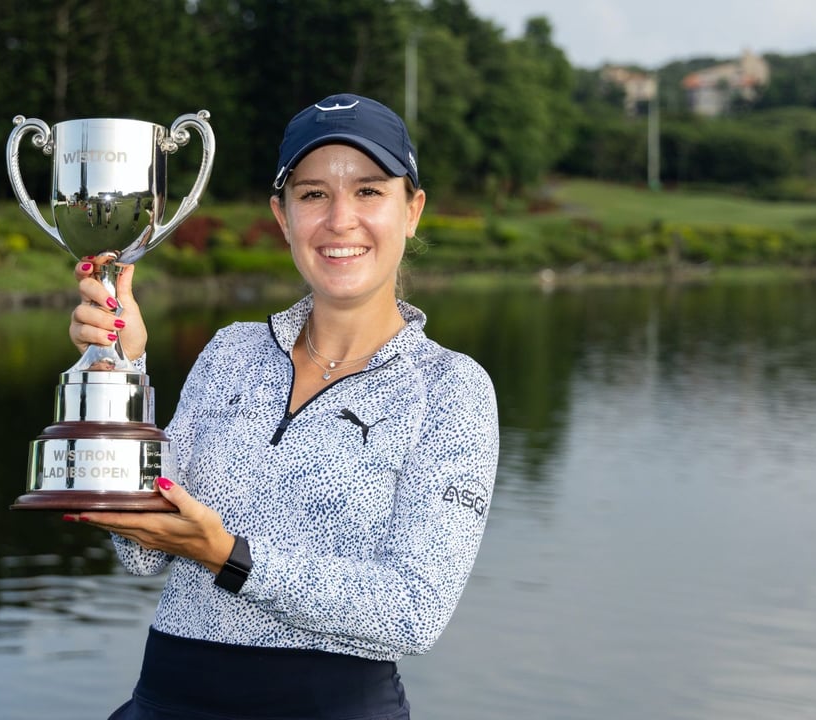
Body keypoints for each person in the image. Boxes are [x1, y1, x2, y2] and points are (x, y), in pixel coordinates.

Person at [64, 93, 499, 720]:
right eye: (314, 194)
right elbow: (141, 552)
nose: (340, 220)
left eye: (369, 191)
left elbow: (414, 611)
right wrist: (121, 368)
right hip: (166, 701)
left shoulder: (451, 389)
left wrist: (230, 556)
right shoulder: (231, 351)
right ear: (283, 216)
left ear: (412, 211)